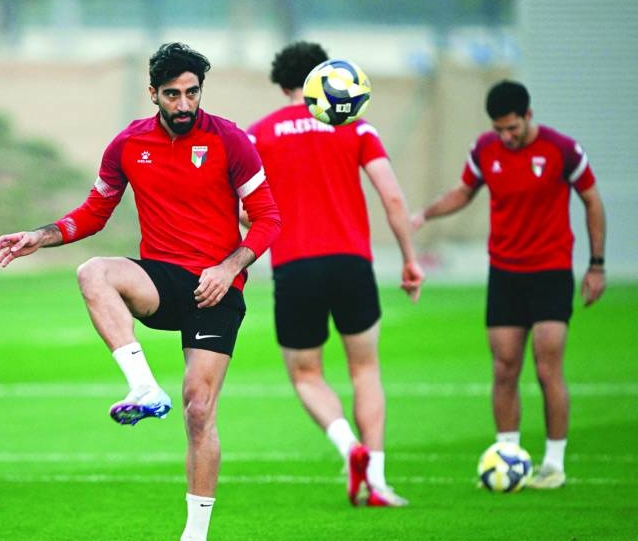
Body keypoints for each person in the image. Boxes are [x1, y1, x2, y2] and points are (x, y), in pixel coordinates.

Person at [0, 42, 281, 541]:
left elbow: (267, 219)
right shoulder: (129, 143)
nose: (184, 104)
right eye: (172, 94)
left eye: (192, 92)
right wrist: (42, 235)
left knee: (198, 408)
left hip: (217, 288)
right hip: (163, 281)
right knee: (93, 271)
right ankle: (143, 385)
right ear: (153, 93)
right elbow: (95, 212)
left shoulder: (231, 141)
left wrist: (229, 267)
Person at [245, 42, 423, 507]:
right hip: (352, 264)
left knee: (307, 375)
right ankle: (379, 482)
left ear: (284, 86)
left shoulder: (258, 135)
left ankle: (349, 447)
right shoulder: (357, 127)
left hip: (295, 265)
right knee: (365, 369)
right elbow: (394, 198)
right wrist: (409, 257)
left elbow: (238, 207)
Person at [412, 80, 606, 489]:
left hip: (551, 271)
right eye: (499, 129)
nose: (506, 136)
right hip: (504, 272)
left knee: (547, 367)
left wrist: (596, 266)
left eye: (512, 128)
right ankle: (507, 456)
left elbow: (592, 200)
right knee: (504, 368)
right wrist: (424, 215)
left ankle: (553, 464)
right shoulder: (486, 150)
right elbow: (464, 192)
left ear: (528, 116)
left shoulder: (561, 150)